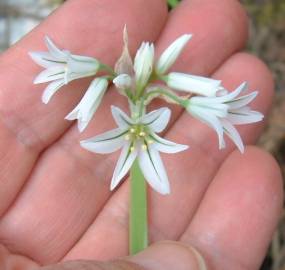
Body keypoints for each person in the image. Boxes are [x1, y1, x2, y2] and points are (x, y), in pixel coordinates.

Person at [0, 0, 283, 269]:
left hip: (146, 130)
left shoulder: (153, 109)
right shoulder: (117, 94)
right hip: (140, 132)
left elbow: (148, 123)